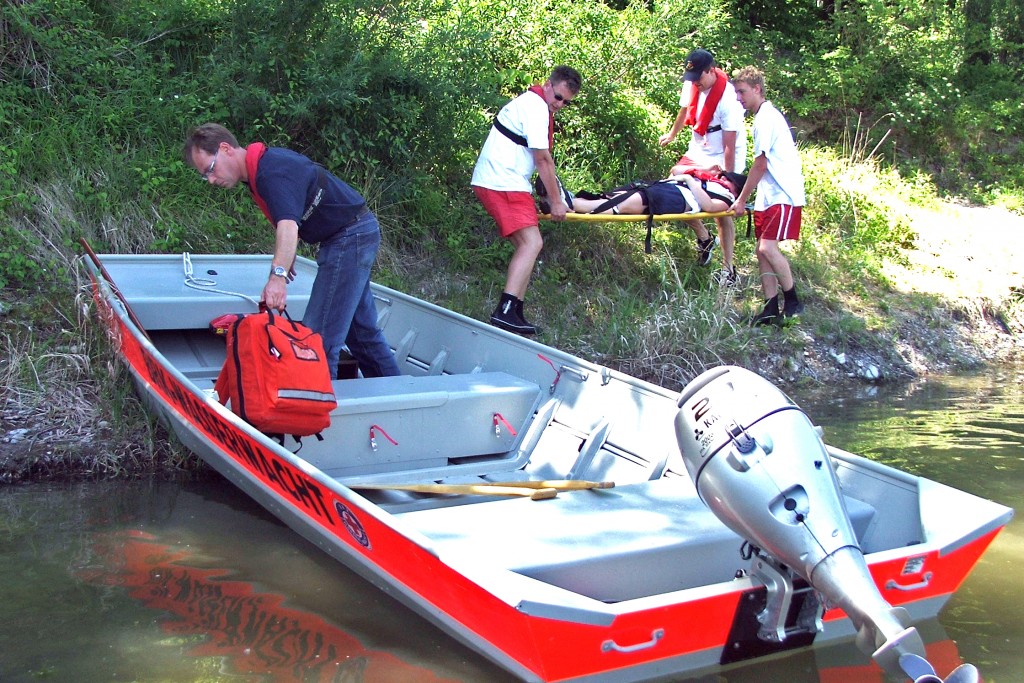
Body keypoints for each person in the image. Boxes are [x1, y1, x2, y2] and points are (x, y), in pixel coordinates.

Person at [182, 123, 402, 379]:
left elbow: (288, 224)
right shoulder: (262, 167)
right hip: (353, 232)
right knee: (361, 333)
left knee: (317, 339)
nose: (210, 180)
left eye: (210, 169)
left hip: (349, 237)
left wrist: (277, 277)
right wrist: (286, 256)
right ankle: (403, 398)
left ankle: (321, 415)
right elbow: (291, 216)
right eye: (204, 175)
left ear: (226, 148)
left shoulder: (269, 172)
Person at [471, 66, 582, 335]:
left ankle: (514, 309)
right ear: (547, 85)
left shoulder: (535, 104)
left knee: (527, 243)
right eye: (558, 97)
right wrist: (556, 203)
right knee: (532, 242)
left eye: (566, 102)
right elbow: (542, 159)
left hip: (501, 180)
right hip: (502, 182)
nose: (560, 104)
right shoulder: (535, 107)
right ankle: (505, 310)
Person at [727, 67, 806, 326]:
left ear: (757, 89)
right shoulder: (761, 117)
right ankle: (770, 308)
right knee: (762, 253)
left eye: (742, 92)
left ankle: (793, 301)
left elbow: (760, 164)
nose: (739, 98)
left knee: (767, 247)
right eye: (737, 92)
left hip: (783, 194)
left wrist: (740, 200)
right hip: (768, 195)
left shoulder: (766, 118)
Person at [659, 48, 747, 283]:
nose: (694, 82)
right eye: (692, 78)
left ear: (711, 71)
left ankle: (728, 270)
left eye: (699, 77)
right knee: (673, 189)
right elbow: (684, 109)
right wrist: (672, 134)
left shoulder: (729, 99)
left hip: (724, 151)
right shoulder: (693, 83)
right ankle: (704, 237)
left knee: (720, 210)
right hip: (700, 145)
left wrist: (728, 179)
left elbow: (730, 143)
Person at [570, 169, 738, 217]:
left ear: (735, 187)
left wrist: (690, 180)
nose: (721, 179)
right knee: (617, 195)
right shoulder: (709, 180)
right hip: (669, 188)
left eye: (726, 179)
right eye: (722, 176)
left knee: (626, 203)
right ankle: (571, 200)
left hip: (678, 198)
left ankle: (571, 204)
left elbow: (708, 206)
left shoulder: (727, 198)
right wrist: (700, 172)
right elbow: (676, 170)